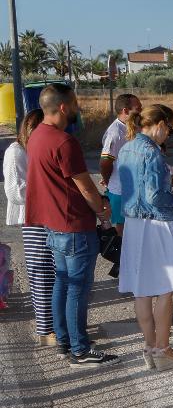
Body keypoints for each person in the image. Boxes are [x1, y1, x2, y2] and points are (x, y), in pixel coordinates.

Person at [25, 84, 116, 366]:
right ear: (63, 107)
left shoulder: (37, 135)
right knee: (77, 287)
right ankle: (80, 349)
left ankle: (64, 342)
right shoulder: (64, 142)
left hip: (54, 225)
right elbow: (85, 187)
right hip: (74, 224)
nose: (78, 107)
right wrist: (103, 212)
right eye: (75, 102)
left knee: (63, 283)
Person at [116, 104, 173, 371]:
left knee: (142, 290)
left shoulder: (127, 147)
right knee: (165, 289)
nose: (169, 135)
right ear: (159, 124)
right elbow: (154, 195)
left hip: (134, 224)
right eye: (169, 129)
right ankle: (163, 348)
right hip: (157, 225)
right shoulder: (152, 153)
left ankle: (150, 347)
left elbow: (118, 187)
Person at [7, 110, 55, 346]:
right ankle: (45, 330)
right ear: (29, 128)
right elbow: (15, 191)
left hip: (52, 217)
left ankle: (55, 323)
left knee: (55, 273)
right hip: (33, 219)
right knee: (41, 274)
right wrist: (50, 189)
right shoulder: (16, 151)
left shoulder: (42, 148)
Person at [99, 93, 141, 236]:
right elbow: (105, 162)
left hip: (135, 189)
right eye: (138, 108)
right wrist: (107, 179)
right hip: (120, 190)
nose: (141, 110)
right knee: (121, 231)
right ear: (125, 110)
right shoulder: (115, 132)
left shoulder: (135, 127)